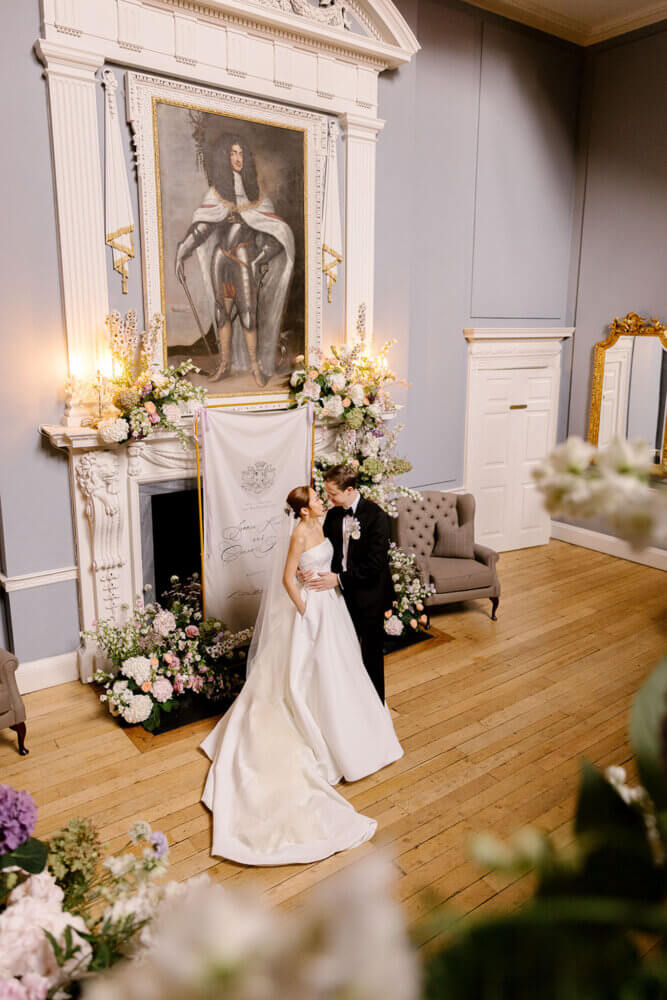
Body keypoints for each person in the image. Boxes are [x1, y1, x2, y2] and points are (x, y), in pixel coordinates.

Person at [200, 485, 403, 866]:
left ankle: (357, 736)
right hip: (312, 609)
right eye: (316, 499)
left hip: (334, 606)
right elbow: (287, 579)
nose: (322, 502)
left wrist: (334, 582)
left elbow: (339, 547)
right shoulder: (297, 534)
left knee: (342, 669)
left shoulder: (328, 520)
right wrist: (305, 608)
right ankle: (323, 738)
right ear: (304, 510)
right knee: (307, 676)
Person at [175, 134, 294, 387]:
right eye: (232, 153)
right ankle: (225, 365)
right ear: (224, 157)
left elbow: (274, 233)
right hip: (221, 257)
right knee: (222, 314)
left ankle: (255, 367)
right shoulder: (217, 194)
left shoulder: (257, 196)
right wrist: (182, 251)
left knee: (248, 315)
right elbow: (203, 229)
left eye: (241, 153)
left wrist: (260, 258)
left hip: (244, 257)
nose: (237, 158)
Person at [301, 464, 393, 703]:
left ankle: (376, 705)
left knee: (371, 654)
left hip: (369, 594)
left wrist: (339, 579)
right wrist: (308, 571)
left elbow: (376, 564)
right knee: (344, 651)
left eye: (333, 494)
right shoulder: (333, 515)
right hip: (339, 595)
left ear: (350, 489)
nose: (328, 499)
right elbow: (327, 552)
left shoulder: (376, 516)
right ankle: (350, 703)